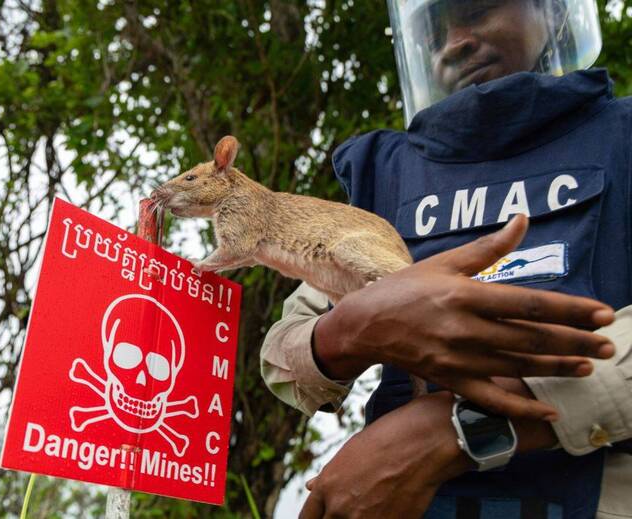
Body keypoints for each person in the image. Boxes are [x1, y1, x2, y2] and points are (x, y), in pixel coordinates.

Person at [260, 0, 632, 517]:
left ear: (553, 13)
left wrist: (451, 430)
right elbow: (283, 352)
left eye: (478, 11)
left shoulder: (623, 136)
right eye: (433, 34)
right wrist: (350, 332)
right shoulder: (387, 177)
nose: (455, 42)